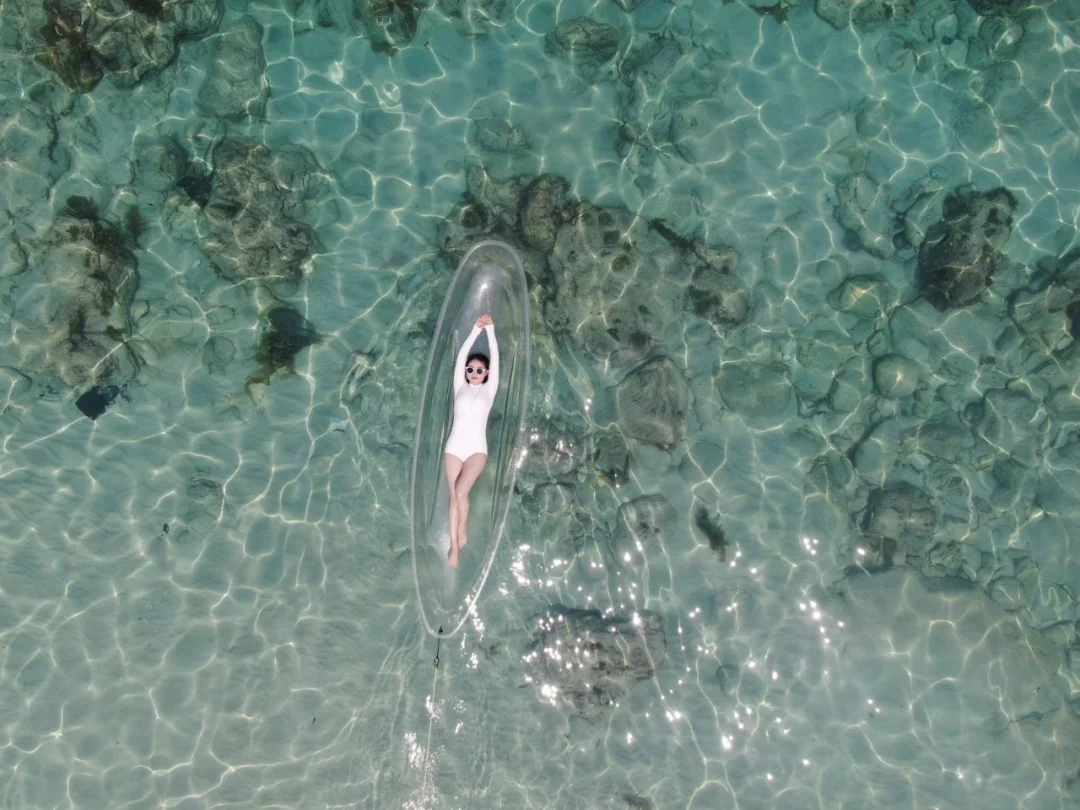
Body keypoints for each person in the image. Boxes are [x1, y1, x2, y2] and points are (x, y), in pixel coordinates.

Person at [443, 313, 499, 569]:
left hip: (477, 450)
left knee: (461, 491)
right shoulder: (460, 386)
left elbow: (494, 359)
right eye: (470, 369)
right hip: (454, 448)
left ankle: (462, 529)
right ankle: (455, 547)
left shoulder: (489, 389)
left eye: (479, 370)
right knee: (455, 495)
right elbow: (461, 358)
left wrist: (490, 331)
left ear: (486, 373)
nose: (474, 373)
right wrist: (475, 330)